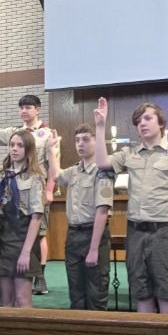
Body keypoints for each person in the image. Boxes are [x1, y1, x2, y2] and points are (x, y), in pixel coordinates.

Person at [94, 98, 168, 314]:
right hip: (136, 231)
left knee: (167, 294)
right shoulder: (130, 153)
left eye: (148, 118)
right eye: (138, 121)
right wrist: (100, 126)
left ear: (161, 123)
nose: (142, 124)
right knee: (142, 292)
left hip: (164, 231)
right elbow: (102, 162)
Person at [0, 92, 54, 295]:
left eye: (28, 107)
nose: (24, 111)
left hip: (35, 185)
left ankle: (39, 274)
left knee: (39, 231)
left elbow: (53, 165)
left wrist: (49, 190)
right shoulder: (15, 132)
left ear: (37, 109)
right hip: (15, 186)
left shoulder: (47, 133)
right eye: (21, 107)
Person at [46, 126, 114, 310]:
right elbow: (57, 176)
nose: (80, 144)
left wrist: (93, 248)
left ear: (95, 141)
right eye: (77, 140)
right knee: (76, 292)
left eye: (85, 139)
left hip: (94, 235)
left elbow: (102, 210)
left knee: (96, 292)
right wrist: (51, 151)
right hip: (74, 234)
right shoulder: (75, 170)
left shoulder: (103, 171)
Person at [0, 131, 44, 308]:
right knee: (5, 300)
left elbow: (36, 217)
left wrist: (26, 252)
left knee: (22, 299)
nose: (14, 149)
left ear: (28, 149)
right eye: (12, 144)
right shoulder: (0, 176)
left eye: (20, 145)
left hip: (22, 238)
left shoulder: (34, 177)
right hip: (2, 238)